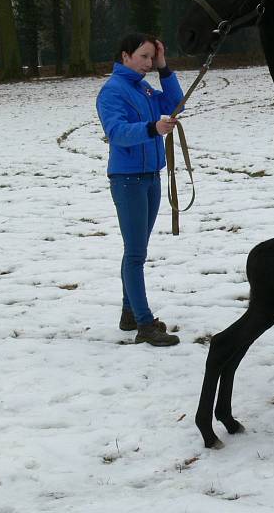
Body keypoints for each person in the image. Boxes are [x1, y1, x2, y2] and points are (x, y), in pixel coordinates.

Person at [97, 33, 183, 346]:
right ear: (125, 57)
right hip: (128, 180)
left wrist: (164, 68)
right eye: (144, 57)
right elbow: (117, 132)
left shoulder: (144, 87)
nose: (147, 63)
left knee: (137, 252)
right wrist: (152, 128)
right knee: (135, 254)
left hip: (151, 177)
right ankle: (144, 324)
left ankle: (128, 312)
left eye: (151, 57)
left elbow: (175, 105)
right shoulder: (112, 92)